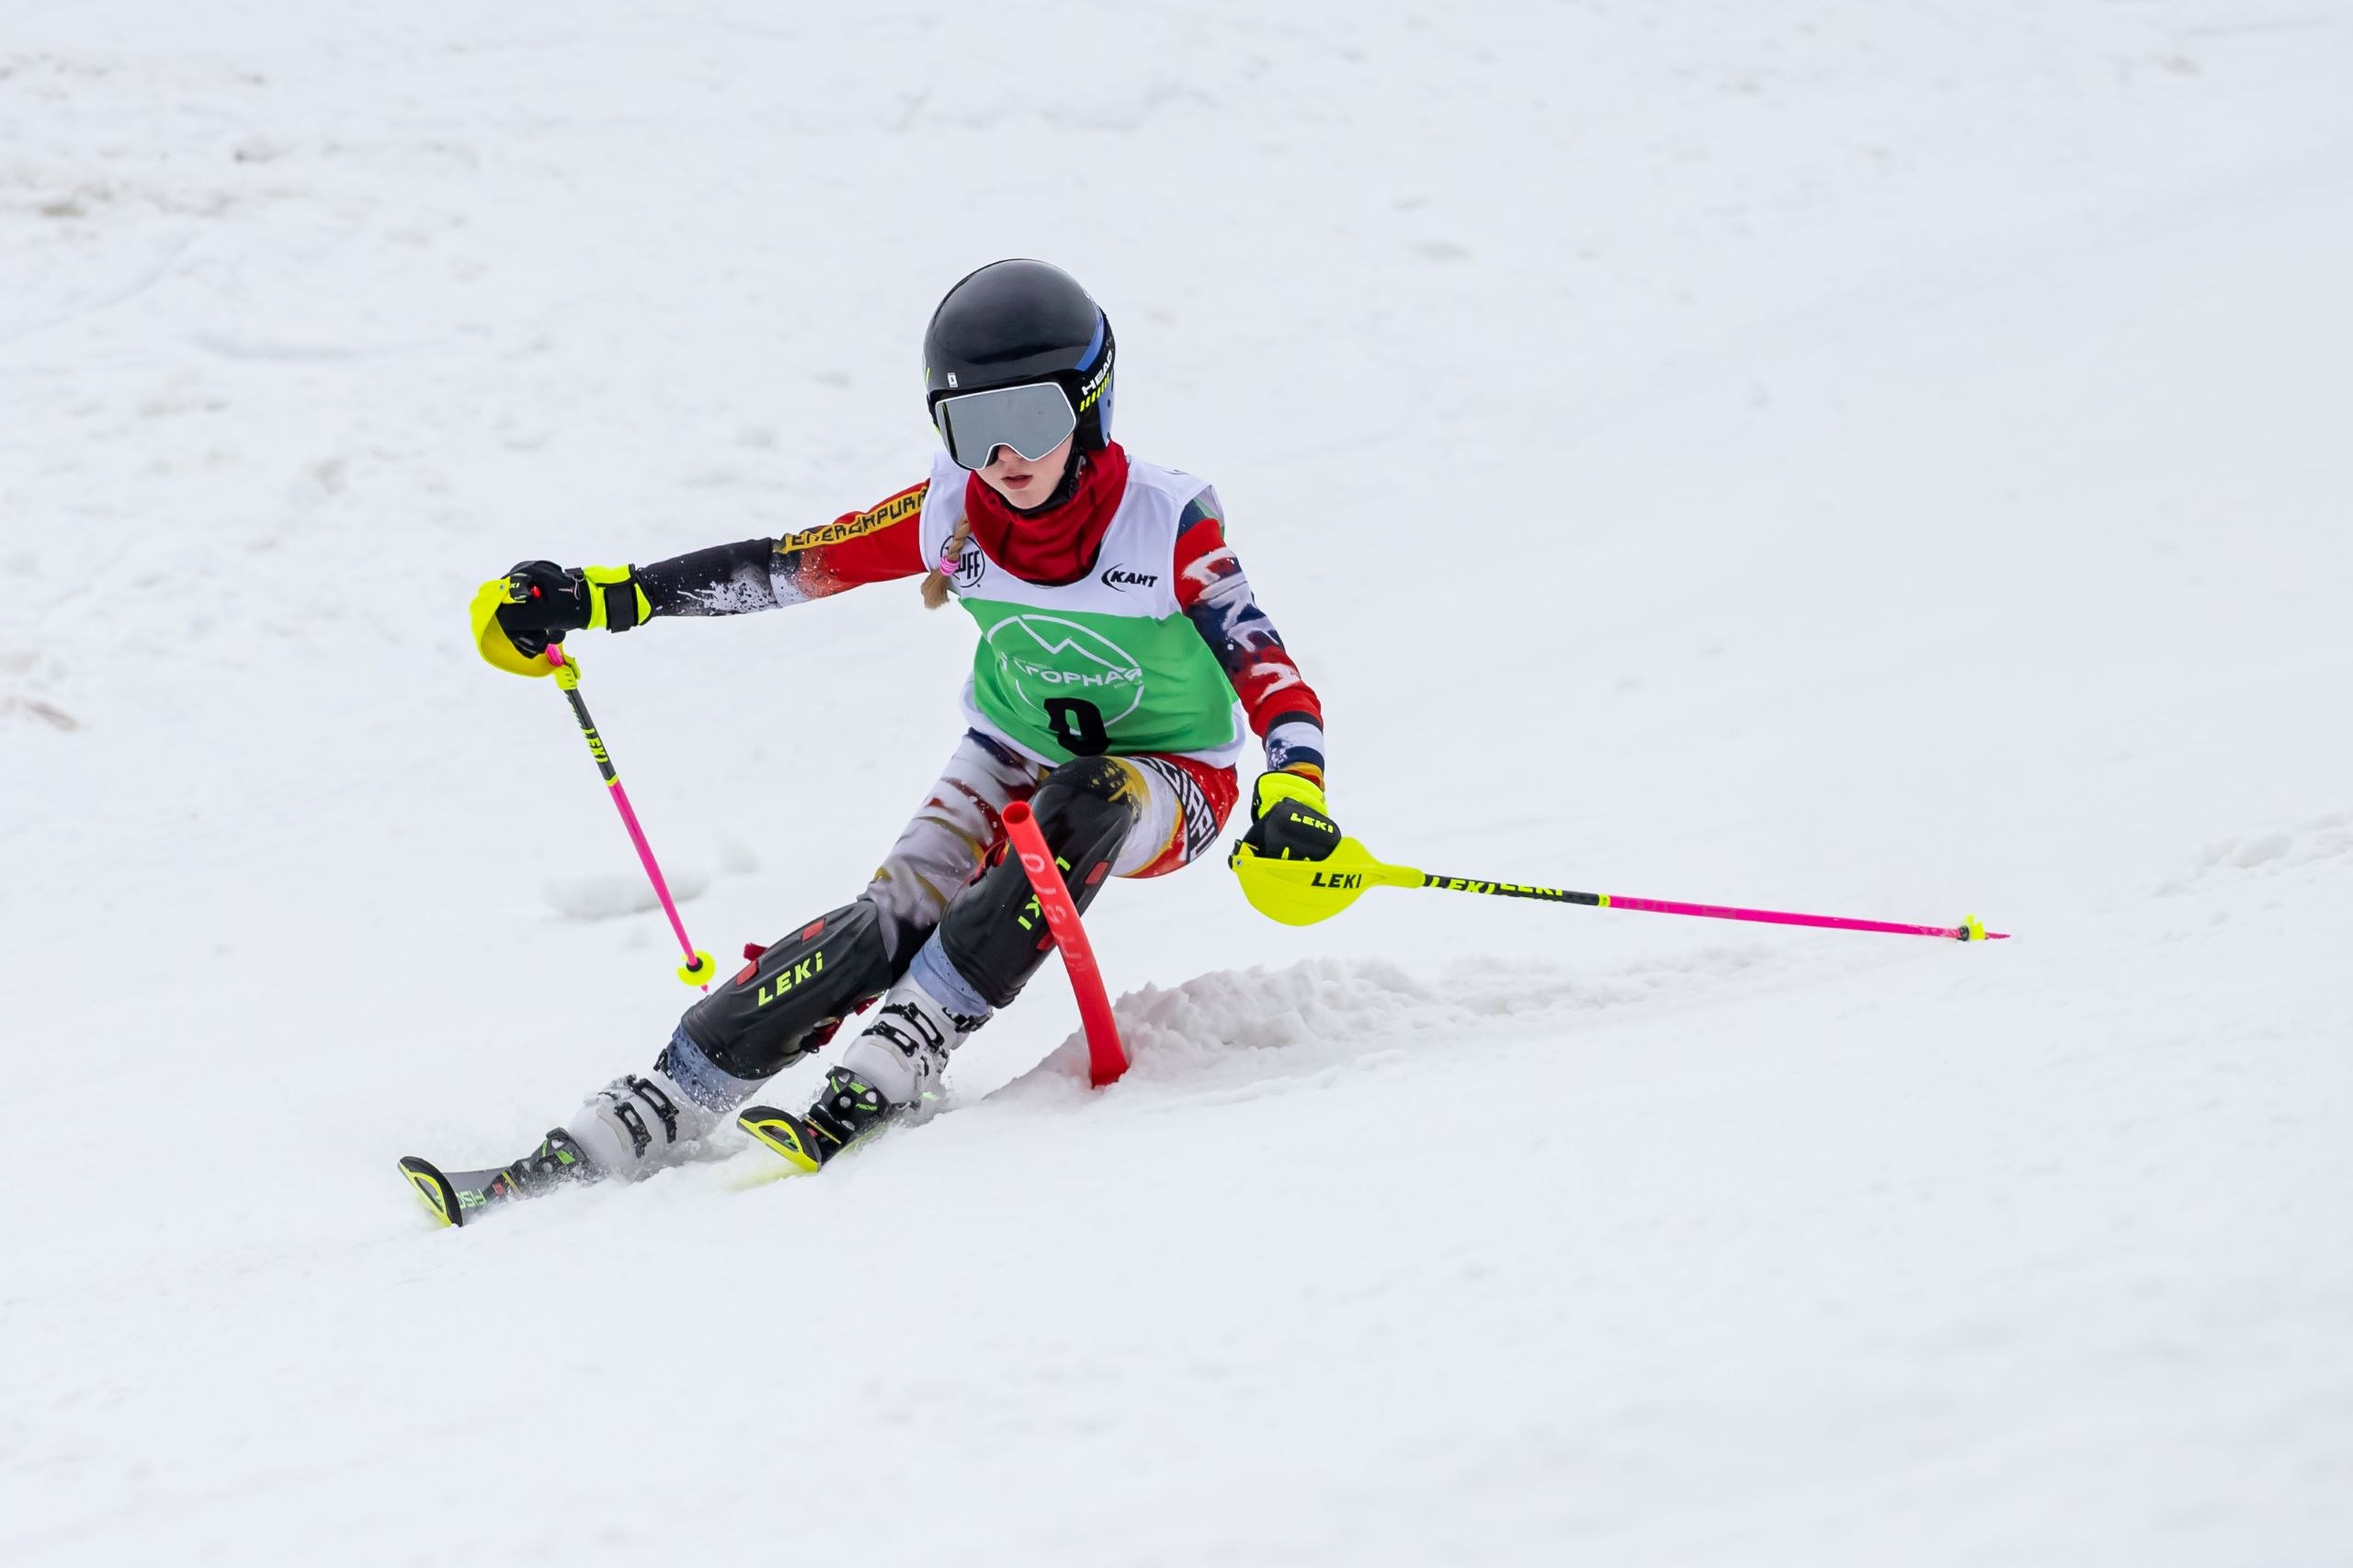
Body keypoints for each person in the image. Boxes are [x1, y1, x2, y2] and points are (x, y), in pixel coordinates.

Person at [463, 258, 1342, 1199]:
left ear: (1090, 408)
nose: (1004, 456)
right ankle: (667, 1090)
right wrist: (613, 596)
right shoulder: (952, 511)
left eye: (1033, 419)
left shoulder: (1166, 521)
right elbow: (788, 564)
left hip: (1170, 782)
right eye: (973, 426)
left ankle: (914, 1035)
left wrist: (1292, 788)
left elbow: (1270, 673)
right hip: (1011, 746)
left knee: (1086, 797)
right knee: (884, 919)